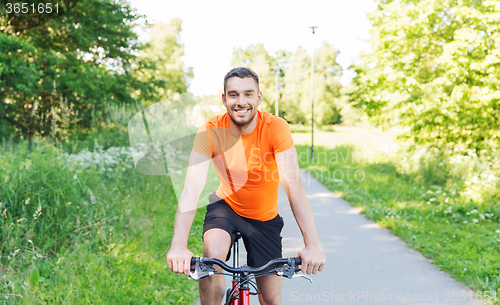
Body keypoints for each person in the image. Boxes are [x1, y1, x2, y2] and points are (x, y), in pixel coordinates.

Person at [166, 67, 325, 305]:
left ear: (258, 98)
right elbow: (191, 189)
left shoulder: (275, 127)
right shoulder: (209, 131)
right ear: (224, 99)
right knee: (211, 260)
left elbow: (293, 187)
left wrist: (313, 245)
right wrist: (178, 246)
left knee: (270, 298)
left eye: (248, 94)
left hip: (264, 218)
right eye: (234, 95)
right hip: (225, 209)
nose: (241, 102)